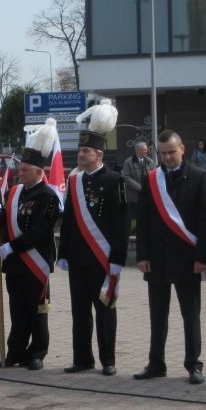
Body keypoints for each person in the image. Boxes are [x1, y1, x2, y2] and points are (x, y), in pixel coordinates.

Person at [135, 130, 206, 384]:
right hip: (157, 258)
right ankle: (156, 363)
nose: (168, 157)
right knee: (158, 316)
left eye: (172, 151)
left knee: (190, 315)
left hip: (188, 258)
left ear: (182, 150)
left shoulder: (200, 177)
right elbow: (143, 220)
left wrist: (203, 257)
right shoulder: (151, 179)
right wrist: (142, 255)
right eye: (163, 153)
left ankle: (194, 364)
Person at [60, 125, 129, 376]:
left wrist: (118, 258)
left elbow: (121, 223)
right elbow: (68, 219)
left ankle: (108, 360)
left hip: (102, 257)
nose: (81, 154)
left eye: (86, 151)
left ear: (99, 154)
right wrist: (63, 253)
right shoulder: (75, 180)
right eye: (79, 150)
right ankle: (82, 359)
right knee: (79, 310)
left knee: (105, 308)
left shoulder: (115, 181)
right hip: (78, 257)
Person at [0, 137, 60, 370]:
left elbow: (40, 231)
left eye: (25, 170)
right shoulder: (14, 193)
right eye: (19, 169)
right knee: (17, 311)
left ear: (39, 172)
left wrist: (14, 246)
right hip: (16, 265)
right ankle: (16, 352)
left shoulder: (49, 197)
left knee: (37, 311)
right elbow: (6, 226)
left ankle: (37, 353)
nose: (19, 173)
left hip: (36, 264)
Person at [121, 142, 154, 229]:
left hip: (147, 196)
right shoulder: (128, 162)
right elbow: (126, 177)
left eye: (147, 149)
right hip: (134, 197)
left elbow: (154, 176)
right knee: (135, 219)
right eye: (144, 150)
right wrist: (139, 187)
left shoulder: (150, 162)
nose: (146, 151)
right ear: (137, 150)